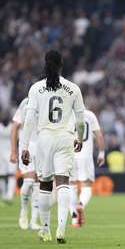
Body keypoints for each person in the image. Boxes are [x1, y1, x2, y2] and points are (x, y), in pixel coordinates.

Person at [21, 49, 85, 243]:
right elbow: (80, 121)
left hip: (44, 139)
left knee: (45, 185)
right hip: (65, 137)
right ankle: (61, 229)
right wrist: (80, 138)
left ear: (44, 64)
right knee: (63, 182)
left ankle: (46, 230)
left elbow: (30, 119)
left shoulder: (35, 88)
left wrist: (24, 145)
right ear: (62, 65)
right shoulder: (73, 88)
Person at [69, 109, 105, 228]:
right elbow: (99, 136)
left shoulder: (67, 114)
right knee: (86, 187)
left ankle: (74, 220)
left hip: (70, 155)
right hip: (85, 155)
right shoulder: (89, 115)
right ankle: (81, 205)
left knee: (72, 187)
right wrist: (101, 153)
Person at [10, 98, 41, 229]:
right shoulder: (26, 102)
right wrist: (13, 151)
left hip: (42, 149)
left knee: (39, 184)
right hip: (27, 147)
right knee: (28, 183)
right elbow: (15, 127)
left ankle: (34, 220)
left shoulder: (50, 100)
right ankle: (24, 211)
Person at [0, 112, 17, 204]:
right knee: (1, 176)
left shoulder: (12, 127)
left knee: (11, 175)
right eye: (3, 115)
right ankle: (4, 196)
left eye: (5, 115)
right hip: (1, 155)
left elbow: (17, 140)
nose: (4, 117)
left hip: (11, 153)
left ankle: (10, 196)